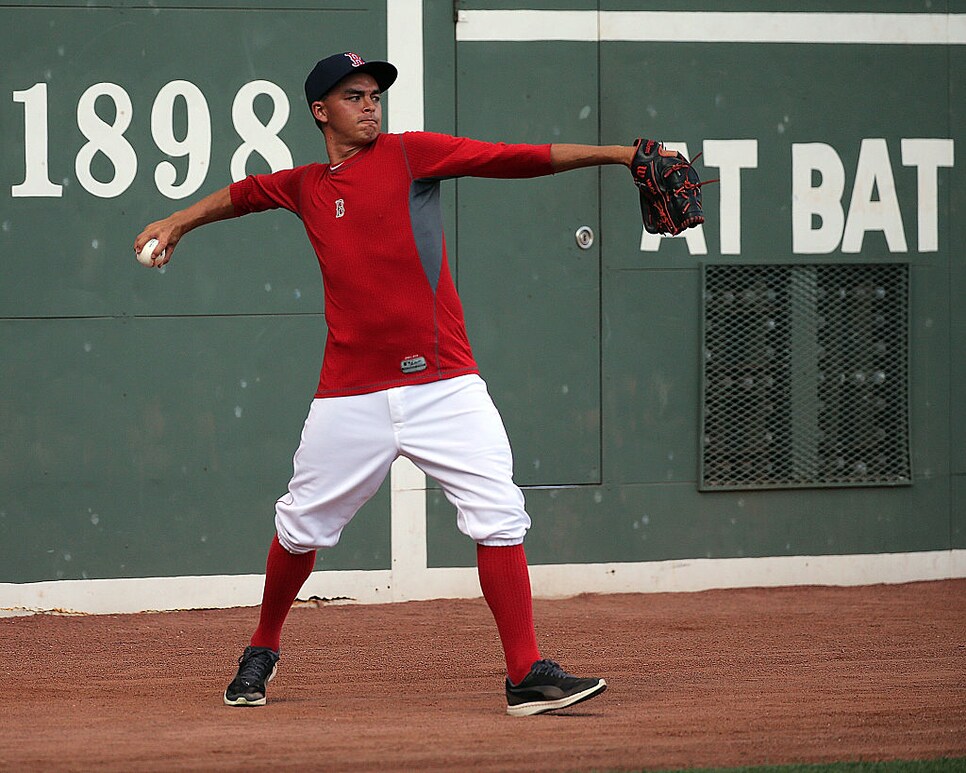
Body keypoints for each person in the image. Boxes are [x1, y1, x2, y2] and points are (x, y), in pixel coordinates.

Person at [135, 51, 636, 717]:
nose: (371, 105)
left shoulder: (411, 154)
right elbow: (245, 193)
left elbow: (513, 157)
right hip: (351, 394)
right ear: (321, 110)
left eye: (375, 94)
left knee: (498, 513)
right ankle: (262, 645)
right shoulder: (306, 185)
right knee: (299, 528)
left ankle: (526, 672)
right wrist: (176, 222)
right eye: (354, 96)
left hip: (445, 384)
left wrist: (619, 154)